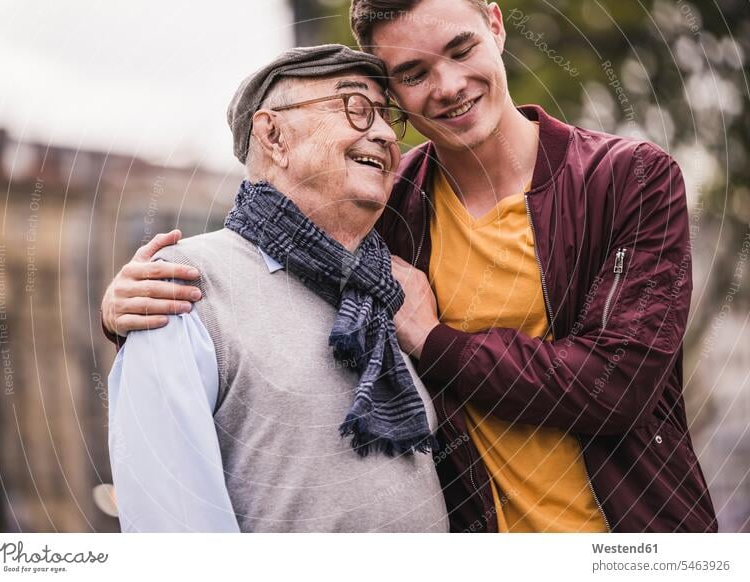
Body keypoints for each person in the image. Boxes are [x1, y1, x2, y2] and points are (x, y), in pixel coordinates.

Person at [102, 0, 717, 532]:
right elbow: (286, 261)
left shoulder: (628, 178)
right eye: (414, 74)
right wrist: (136, 309)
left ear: (496, 26)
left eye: (461, 49)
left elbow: (615, 385)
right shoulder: (391, 211)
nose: (447, 86)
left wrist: (433, 339)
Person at [107, 44, 449, 533]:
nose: (381, 132)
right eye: (355, 107)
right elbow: (174, 527)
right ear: (274, 135)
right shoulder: (182, 285)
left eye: (385, 116)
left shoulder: (393, 290)